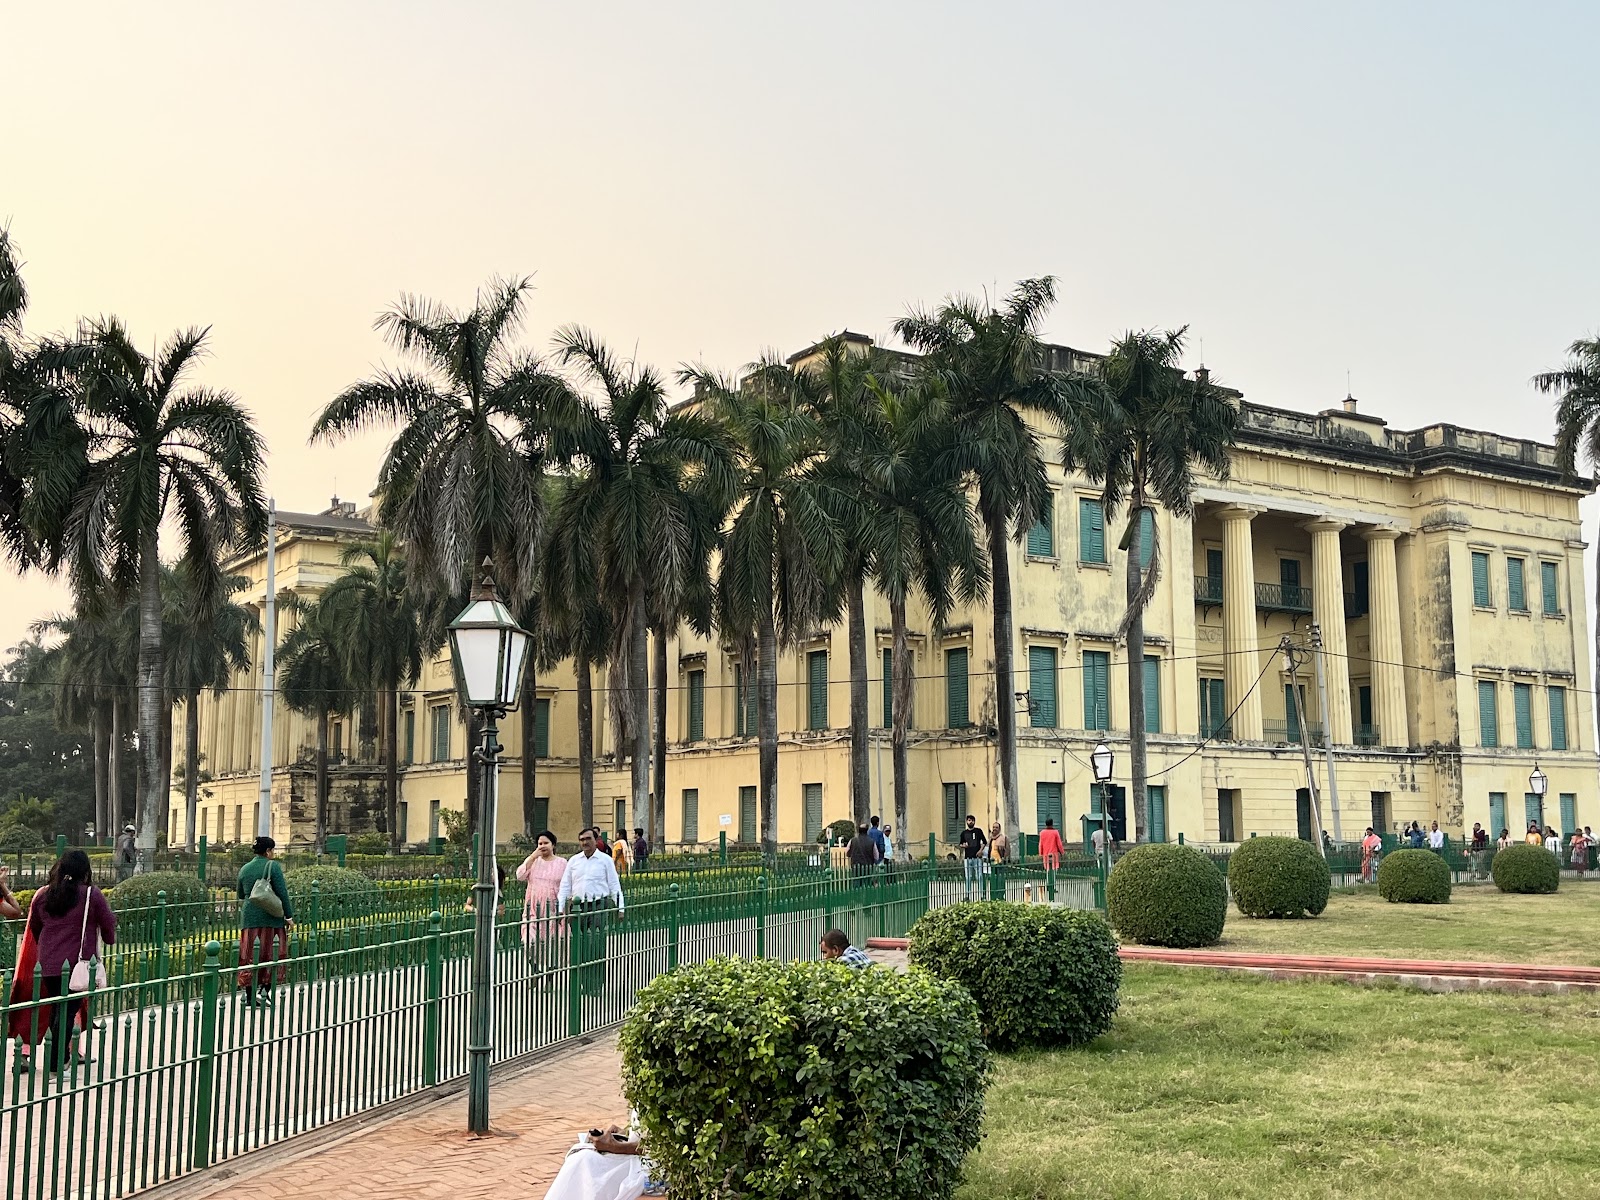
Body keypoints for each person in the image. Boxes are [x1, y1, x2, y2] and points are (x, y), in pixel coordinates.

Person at [7, 850, 115, 1071]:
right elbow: (108, 925)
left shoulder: (44, 896)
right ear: (85, 872)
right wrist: (109, 937)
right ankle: (58, 1063)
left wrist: (49, 950)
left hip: (47, 963)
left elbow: (36, 927)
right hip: (76, 965)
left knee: (58, 1008)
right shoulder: (90, 895)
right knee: (66, 1011)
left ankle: (61, 1056)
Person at [557, 828, 625, 996]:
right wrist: (560, 908)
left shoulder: (605, 861)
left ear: (596, 840)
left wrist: (620, 907)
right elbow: (565, 885)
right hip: (578, 908)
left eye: (588, 839)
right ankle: (582, 983)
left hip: (598, 906)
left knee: (595, 945)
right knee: (579, 947)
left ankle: (595, 984)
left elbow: (614, 885)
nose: (585, 842)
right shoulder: (573, 861)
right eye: (581, 840)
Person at [238, 836, 293, 1007]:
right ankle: (264, 991)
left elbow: (240, 894)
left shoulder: (245, 868)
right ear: (268, 851)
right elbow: (282, 892)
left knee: (250, 956)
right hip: (271, 918)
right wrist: (288, 916)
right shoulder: (272, 866)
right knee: (272, 954)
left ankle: (249, 995)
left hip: (250, 918)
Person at [516, 830, 566, 974]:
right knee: (528, 941)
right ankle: (535, 971)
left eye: (546, 843)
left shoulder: (562, 863)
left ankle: (550, 976)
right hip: (533, 909)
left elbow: (567, 885)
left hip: (553, 909)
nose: (542, 846)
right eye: (540, 843)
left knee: (551, 944)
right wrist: (532, 857)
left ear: (553, 845)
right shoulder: (533, 861)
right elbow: (519, 875)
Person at [958, 815, 987, 899]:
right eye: (969, 820)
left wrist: (980, 850)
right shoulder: (964, 833)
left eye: (972, 820)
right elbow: (960, 844)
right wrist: (964, 846)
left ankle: (982, 895)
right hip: (967, 858)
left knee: (979, 876)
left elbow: (984, 842)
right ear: (966, 822)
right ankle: (967, 895)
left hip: (977, 858)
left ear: (974, 822)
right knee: (968, 877)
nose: (970, 822)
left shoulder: (978, 831)